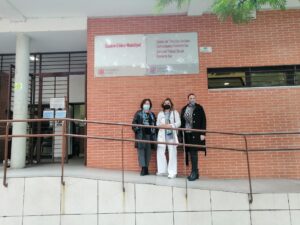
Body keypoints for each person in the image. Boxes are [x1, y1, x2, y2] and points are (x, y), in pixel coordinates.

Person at [180, 93, 206, 181]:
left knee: (194, 153)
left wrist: (203, 133)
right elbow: (182, 122)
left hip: (196, 134)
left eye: (193, 98)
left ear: (195, 99)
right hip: (187, 133)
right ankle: (195, 172)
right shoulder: (184, 109)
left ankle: (194, 172)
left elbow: (203, 120)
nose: (192, 99)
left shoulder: (199, 108)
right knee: (191, 152)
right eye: (190, 98)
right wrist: (181, 134)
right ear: (188, 99)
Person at [156, 98, 181, 178]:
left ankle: (172, 172)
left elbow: (179, 123)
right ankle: (162, 171)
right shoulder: (160, 113)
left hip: (171, 134)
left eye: (168, 103)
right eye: (165, 103)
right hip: (162, 135)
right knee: (160, 151)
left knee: (172, 152)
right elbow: (157, 124)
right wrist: (163, 126)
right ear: (163, 104)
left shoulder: (175, 112)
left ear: (171, 104)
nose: (167, 104)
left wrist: (170, 126)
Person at [132, 99, 156, 176]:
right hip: (141, 135)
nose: (147, 105)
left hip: (150, 136)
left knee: (148, 153)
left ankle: (146, 168)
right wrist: (138, 130)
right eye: (145, 103)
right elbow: (134, 123)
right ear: (142, 104)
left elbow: (154, 125)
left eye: (148, 103)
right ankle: (143, 168)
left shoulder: (152, 114)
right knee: (141, 152)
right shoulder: (138, 113)